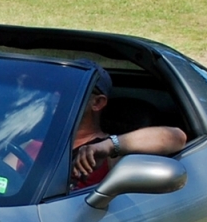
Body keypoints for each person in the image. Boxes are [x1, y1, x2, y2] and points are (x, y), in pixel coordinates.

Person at [66, 62, 187, 190]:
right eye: (52, 89)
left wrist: (109, 146)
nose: (56, 95)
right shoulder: (45, 137)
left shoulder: (107, 154)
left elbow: (177, 137)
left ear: (97, 102)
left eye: (68, 90)